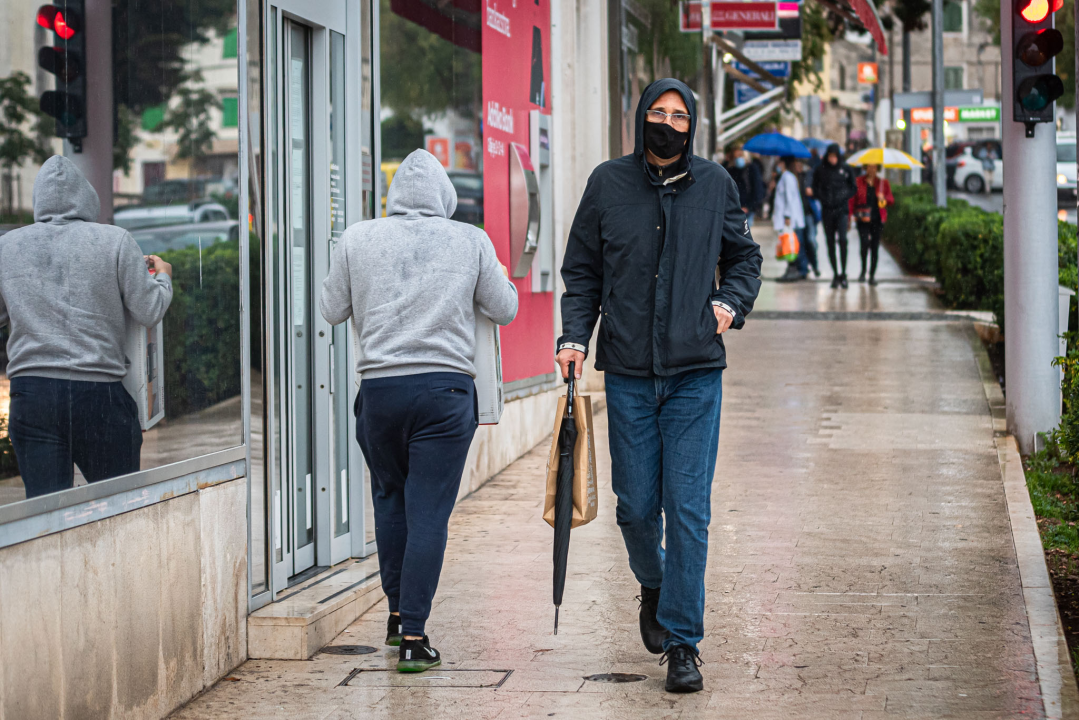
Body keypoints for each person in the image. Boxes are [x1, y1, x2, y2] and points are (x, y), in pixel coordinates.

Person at [556, 79, 763, 694]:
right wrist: (574, 338)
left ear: (692, 124)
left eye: (678, 115)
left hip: (696, 373)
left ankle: (682, 642)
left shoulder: (716, 184)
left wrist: (729, 303)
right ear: (641, 119)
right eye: (657, 113)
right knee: (638, 509)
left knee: (689, 508)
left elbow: (745, 257)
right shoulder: (607, 184)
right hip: (626, 373)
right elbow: (582, 271)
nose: (667, 123)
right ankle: (654, 582)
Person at [319, 149, 518, 673]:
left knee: (390, 501)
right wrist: (493, 269)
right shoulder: (470, 239)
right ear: (445, 196)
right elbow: (505, 308)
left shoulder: (358, 238)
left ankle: (395, 615)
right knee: (429, 511)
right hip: (444, 395)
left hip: (379, 394)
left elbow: (330, 309)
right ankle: (414, 637)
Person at [0, 156, 173, 499]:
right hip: (99, 396)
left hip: (32, 396)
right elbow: (150, 308)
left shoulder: (7, 246)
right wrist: (164, 275)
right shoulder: (115, 241)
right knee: (117, 510)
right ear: (87, 198)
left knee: (47, 517)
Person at [812, 143, 857, 289]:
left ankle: (844, 273)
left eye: (835, 156)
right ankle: (836, 273)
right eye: (830, 156)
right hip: (827, 211)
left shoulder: (846, 169)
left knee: (842, 240)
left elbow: (853, 188)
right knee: (830, 242)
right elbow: (815, 188)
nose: (832, 159)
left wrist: (843, 196)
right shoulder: (821, 170)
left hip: (841, 210)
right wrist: (823, 198)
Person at [850, 163, 893, 285]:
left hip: (877, 219)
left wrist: (882, 199)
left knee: (875, 247)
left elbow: (891, 200)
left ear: (878, 168)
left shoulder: (883, 183)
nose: (872, 169)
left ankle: (872, 275)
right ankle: (863, 270)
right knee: (864, 244)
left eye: (874, 167)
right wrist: (850, 215)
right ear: (865, 167)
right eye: (869, 166)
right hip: (862, 219)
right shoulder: (858, 181)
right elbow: (852, 199)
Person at [773, 156, 806, 282]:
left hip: (790, 218)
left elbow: (789, 198)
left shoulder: (787, 177)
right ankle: (793, 269)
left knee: (791, 244)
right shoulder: (787, 177)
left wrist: (787, 216)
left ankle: (794, 270)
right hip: (790, 217)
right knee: (790, 243)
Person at [723, 146, 764, 227]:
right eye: (736, 156)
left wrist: (748, 207)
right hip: (732, 209)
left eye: (740, 155)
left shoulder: (752, 169)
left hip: (747, 209)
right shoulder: (730, 170)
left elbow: (758, 190)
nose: (738, 158)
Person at [796, 159, 821, 279]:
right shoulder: (792, 177)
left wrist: (812, 191)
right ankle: (804, 268)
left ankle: (815, 265)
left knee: (810, 240)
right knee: (801, 242)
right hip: (798, 214)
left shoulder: (809, 174)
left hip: (809, 213)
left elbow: (819, 191)